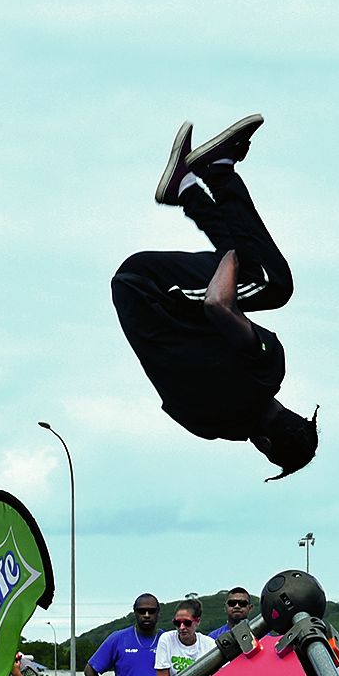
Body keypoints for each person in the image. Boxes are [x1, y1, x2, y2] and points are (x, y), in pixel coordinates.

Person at [113, 115, 319, 479]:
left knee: (272, 283)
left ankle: (217, 171)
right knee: (252, 273)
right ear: (264, 447)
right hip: (136, 295)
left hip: (153, 286)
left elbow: (217, 304)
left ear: (295, 413)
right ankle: (188, 187)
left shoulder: (267, 373)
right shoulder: (207, 427)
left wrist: (239, 249)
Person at [85, 595, 162, 676]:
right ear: (135, 612)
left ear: (158, 612)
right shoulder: (118, 639)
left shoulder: (167, 641)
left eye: (151, 611)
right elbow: (90, 670)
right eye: (141, 611)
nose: (147, 615)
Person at [156, 598, 209, 676]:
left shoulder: (210, 644)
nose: (182, 627)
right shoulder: (166, 639)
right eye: (177, 623)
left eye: (187, 623)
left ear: (197, 621)